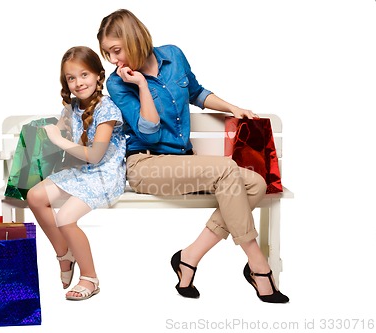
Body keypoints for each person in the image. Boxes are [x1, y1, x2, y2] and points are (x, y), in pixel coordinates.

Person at [97, 9, 289, 303]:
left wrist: (232, 108)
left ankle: (188, 257)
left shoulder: (173, 55)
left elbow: (197, 93)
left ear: (134, 39)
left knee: (256, 185)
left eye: (116, 51)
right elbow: (148, 132)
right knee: (228, 171)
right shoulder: (118, 83)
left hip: (185, 162)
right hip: (146, 166)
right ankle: (258, 265)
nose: (114, 61)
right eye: (108, 54)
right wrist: (142, 85)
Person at [27, 46, 126, 301]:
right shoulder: (73, 106)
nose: (78, 82)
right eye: (71, 78)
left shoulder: (108, 109)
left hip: (105, 174)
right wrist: (52, 129)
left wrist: (59, 141)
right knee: (35, 196)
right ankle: (64, 254)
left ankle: (90, 278)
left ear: (98, 76)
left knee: (65, 218)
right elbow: (61, 128)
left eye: (84, 75)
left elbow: (95, 156)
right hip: (82, 171)